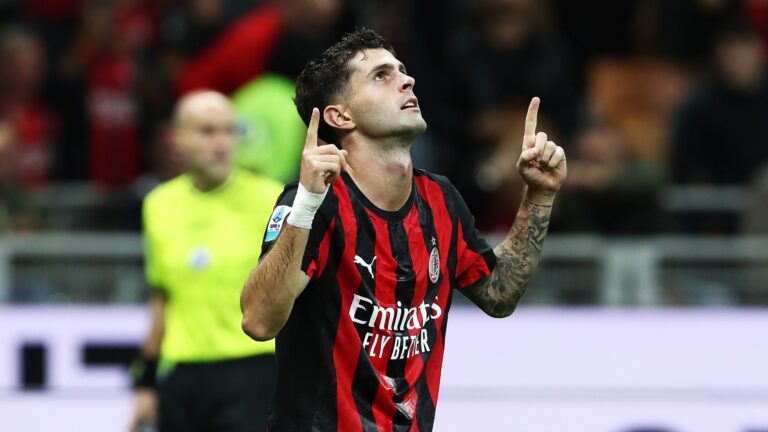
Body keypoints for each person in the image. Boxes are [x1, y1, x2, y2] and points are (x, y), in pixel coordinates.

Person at [240, 28, 567, 431]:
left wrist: (539, 195)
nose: (407, 80)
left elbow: (499, 294)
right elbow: (258, 322)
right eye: (381, 75)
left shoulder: (440, 200)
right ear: (341, 116)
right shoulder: (314, 201)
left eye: (402, 70)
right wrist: (306, 204)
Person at [129, 91, 284, 432]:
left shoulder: (272, 199)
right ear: (177, 139)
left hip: (254, 368)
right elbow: (161, 297)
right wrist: (145, 383)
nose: (221, 143)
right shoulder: (158, 205)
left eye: (229, 131)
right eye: (207, 131)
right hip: (182, 373)